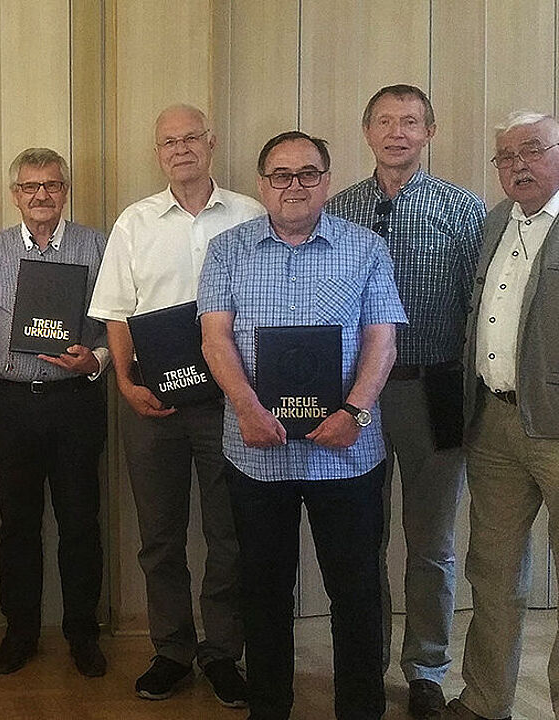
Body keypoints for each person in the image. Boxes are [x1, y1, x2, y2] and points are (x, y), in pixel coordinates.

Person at [198, 130, 406, 720]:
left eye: (308, 173)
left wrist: (354, 412)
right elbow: (215, 339)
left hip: (345, 451)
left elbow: (382, 337)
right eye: (282, 175)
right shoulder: (227, 250)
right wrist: (244, 407)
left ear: (327, 180)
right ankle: (270, 707)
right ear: (263, 184)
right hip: (256, 451)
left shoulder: (364, 247)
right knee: (263, 592)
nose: (295, 185)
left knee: (357, 591)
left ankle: (360, 709)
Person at [88, 104, 262, 706]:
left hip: (229, 405)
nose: (181, 149)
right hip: (152, 404)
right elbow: (115, 308)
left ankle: (223, 654)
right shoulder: (135, 222)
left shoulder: (251, 213)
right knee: (159, 536)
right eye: (169, 141)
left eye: (191, 138)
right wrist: (125, 384)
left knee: (229, 535)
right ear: (158, 153)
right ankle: (171, 651)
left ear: (211, 143)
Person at [324, 84, 486, 719]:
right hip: (355, 396)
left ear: (430, 132)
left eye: (410, 122)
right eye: (385, 122)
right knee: (362, 538)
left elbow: (480, 307)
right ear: (367, 132)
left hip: (435, 389)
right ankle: (364, 662)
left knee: (433, 541)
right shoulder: (337, 210)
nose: (397, 132)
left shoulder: (463, 211)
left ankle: (424, 668)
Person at [0, 147, 110, 678]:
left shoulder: (97, 245)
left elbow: (115, 322)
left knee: (81, 523)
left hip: (74, 401)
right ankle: (20, 632)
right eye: (30, 187)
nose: (41, 196)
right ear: (15, 195)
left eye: (51, 185)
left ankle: (83, 634)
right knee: (16, 526)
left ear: (65, 190)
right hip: (8, 404)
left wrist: (93, 359)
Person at [445, 111, 559, 720]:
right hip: (493, 424)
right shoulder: (493, 224)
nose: (519, 165)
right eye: (506, 157)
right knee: (492, 573)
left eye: (533, 150)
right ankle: (486, 702)